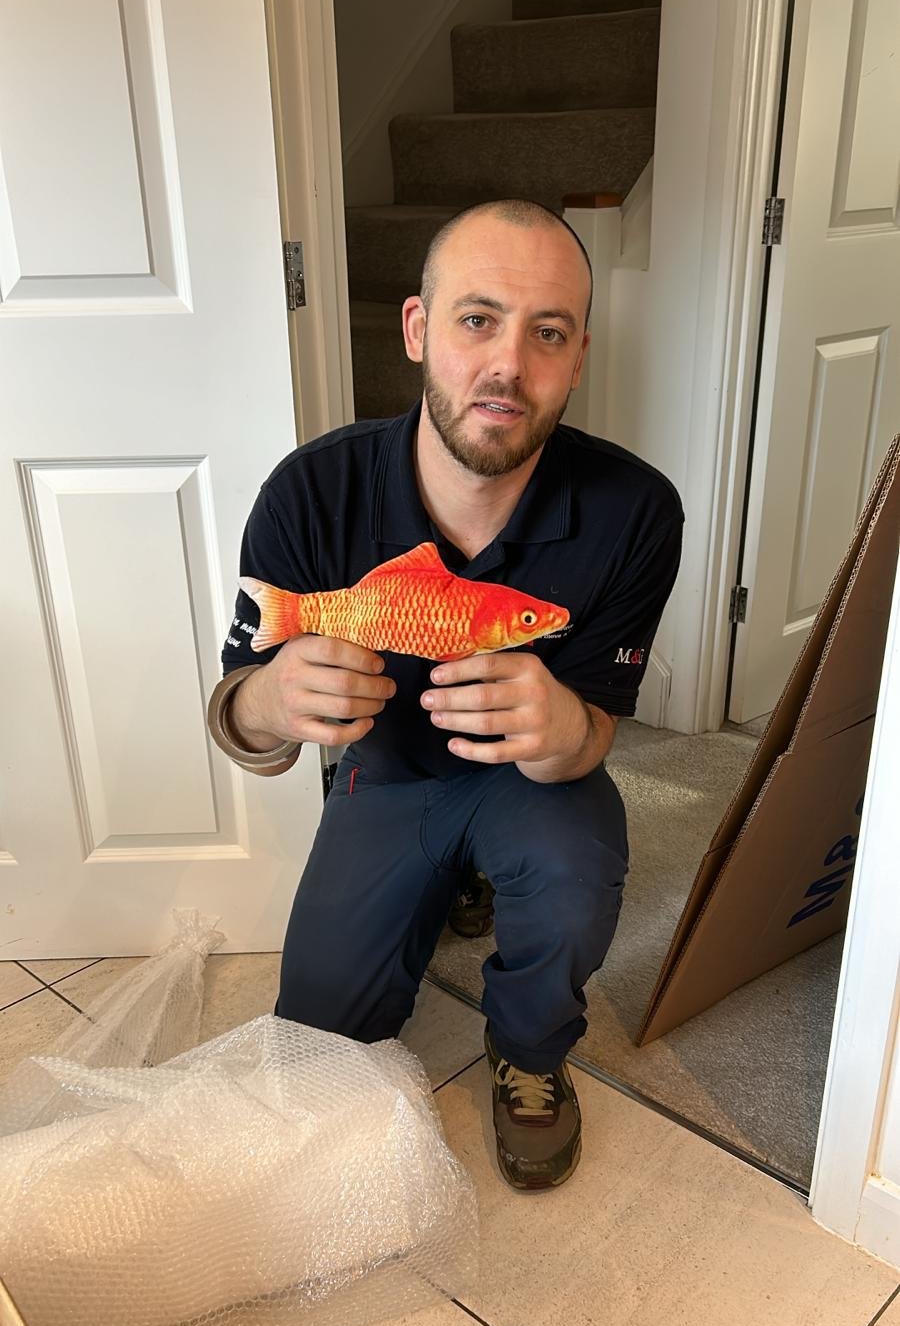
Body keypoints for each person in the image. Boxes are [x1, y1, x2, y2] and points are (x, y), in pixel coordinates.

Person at [207, 198, 684, 1192]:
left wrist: (566, 734)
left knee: (570, 870)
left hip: (532, 781)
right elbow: (239, 716)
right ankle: (442, 885)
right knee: (318, 1047)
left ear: (578, 354)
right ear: (419, 329)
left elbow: (599, 726)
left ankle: (530, 1047)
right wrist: (273, 701)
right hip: (388, 773)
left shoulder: (637, 511)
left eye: (546, 332)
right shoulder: (308, 493)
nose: (508, 364)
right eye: (478, 320)